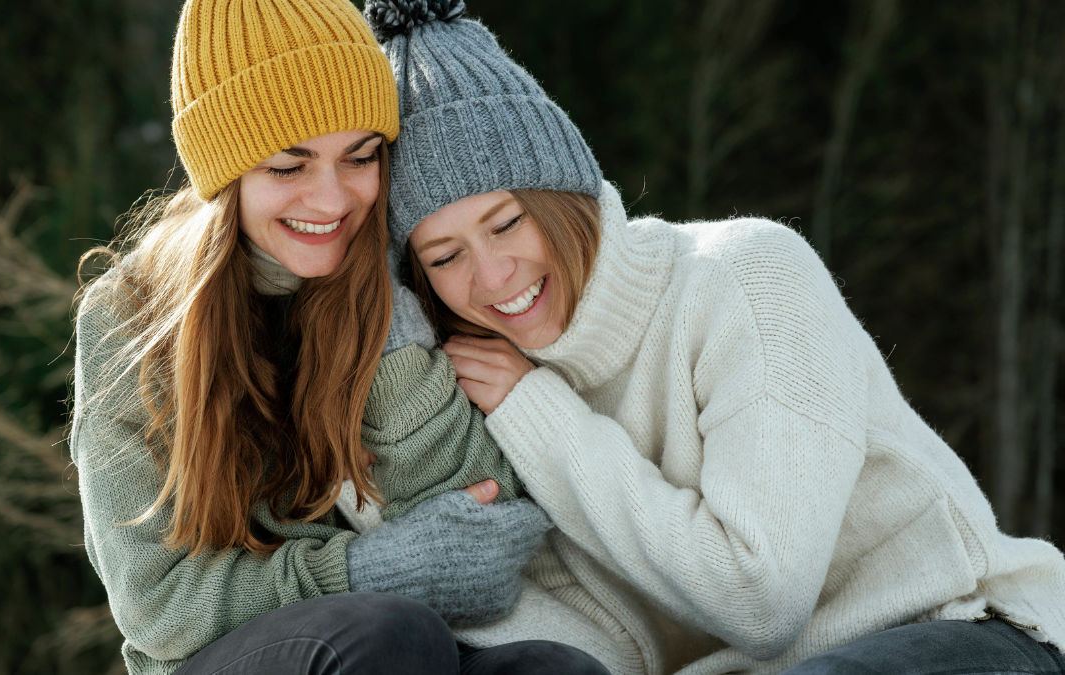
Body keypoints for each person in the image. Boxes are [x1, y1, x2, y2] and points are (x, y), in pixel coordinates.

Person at [365, 1, 1065, 674]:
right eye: (444, 257)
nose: (490, 275)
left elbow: (764, 599)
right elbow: (593, 634)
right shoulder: (493, 381)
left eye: (507, 222)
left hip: (958, 624)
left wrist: (544, 420)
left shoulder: (745, 277)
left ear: (563, 193)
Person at [70, 1, 611, 674]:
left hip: (402, 645)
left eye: (360, 157)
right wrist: (365, 569)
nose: (332, 202)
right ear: (225, 175)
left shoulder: (399, 271)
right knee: (386, 631)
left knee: (551, 669)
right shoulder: (130, 316)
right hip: (231, 660)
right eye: (288, 168)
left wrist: (384, 320)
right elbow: (159, 605)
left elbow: (486, 527)